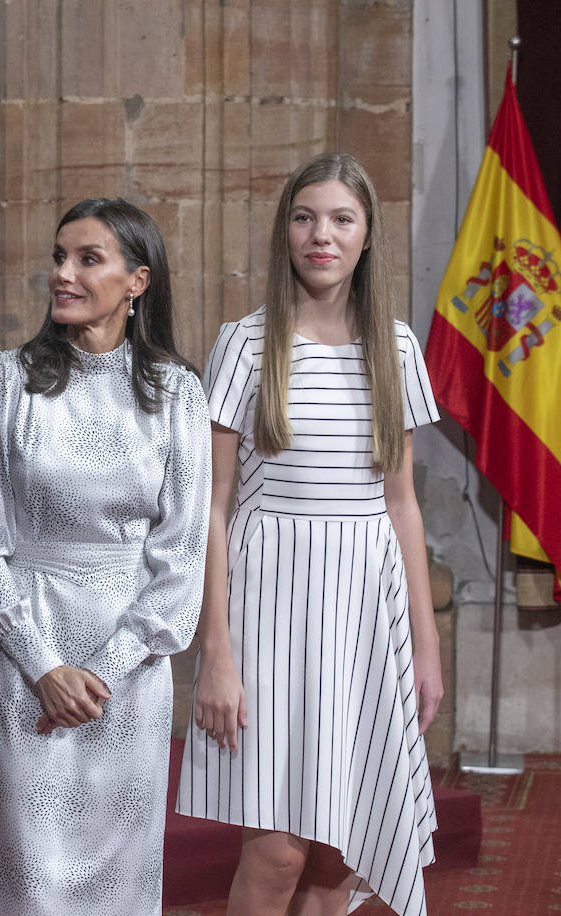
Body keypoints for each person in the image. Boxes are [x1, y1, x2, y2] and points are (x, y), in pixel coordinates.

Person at [175, 153, 442, 916]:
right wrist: (215, 655)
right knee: (278, 854)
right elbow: (214, 507)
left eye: (340, 219)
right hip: (270, 612)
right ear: (284, 232)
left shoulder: (395, 348)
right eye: (304, 217)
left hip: (366, 612)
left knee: (338, 854)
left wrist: (424, 647)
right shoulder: (247, 343)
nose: (320, 235)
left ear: (365, 237)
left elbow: (403, 507)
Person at [0, 197, 211, 914]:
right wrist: (44, 666)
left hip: (126, 679)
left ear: (138, 281)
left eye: (87, 259)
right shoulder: (8, 380)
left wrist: (101, 670)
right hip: (23, 664)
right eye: (59, 258)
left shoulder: (176, 391)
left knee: (120, 887)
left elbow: (181, 554)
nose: (64, 274)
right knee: (28, 882)